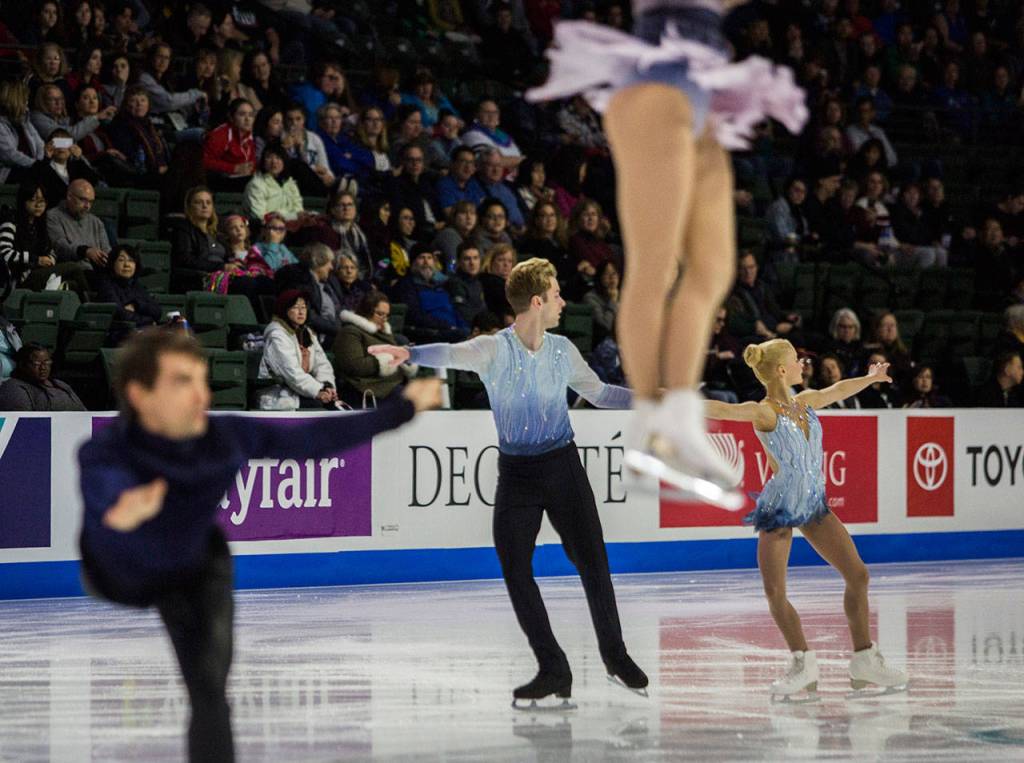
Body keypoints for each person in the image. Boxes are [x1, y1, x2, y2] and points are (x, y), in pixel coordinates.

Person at [77, 328, 440, 763]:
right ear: (139, 394)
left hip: (194, 567)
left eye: (202, 380)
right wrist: (124, 508)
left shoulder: (224, 436)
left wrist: (403, 408)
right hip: (119, 572)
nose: (200, 396)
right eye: (181, 382)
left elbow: (313, 442)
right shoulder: (108, 449)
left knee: (210, 689)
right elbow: (106, 488)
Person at [527, 1, 807, 508]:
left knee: (713, 268)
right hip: (657, 84)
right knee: (655, 262)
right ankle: (649, 421)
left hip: (699, 92)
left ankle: (677, 418)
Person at [369, 258, 648, 705]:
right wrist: (410, 354)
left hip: (563, 468)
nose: (563, 301)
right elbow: (451, 352)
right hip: (517, 475)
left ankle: (615, 655)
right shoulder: (494, 350)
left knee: (594, 562)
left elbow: (600, 393)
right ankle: (553, 666)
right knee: (516, 570)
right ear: (537, 301)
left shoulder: (562, 351)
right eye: (557, 294)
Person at [705, 339, 908, 700]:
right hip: (781, 507)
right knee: (775, 591)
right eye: (797, 360)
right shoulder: (765, 411)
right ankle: (803, 664)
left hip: (814, 504)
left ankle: (864, 660)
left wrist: (869, 378)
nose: (803, 364)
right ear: (782, 370)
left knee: (858, 575)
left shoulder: (805, 402)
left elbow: (839, 388)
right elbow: (722, 409)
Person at [0, 181, 89, 295]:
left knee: (73, 285)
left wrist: (50, 259)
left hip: (39, 273)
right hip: (20, 278)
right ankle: (93, 305)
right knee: (74, 268)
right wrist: (37, 260)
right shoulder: (11, 221)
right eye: (33, 200)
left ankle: (88, 306)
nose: (38, 205)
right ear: (23, 201)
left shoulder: (40, 225)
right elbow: (4, 254)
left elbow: (51, 251)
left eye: (42, 201)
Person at [333, 290, 416, 408]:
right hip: (367, 389)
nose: (384, 319)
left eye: (387, 315)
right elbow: (354, 365)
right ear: (366, 311)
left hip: (391, 385)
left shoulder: (384, 333)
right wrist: (389, 358)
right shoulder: (350, 332)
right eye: (380, 314)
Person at [257, 290, 337, 410]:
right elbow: (292, 374)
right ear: (285, 310)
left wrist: (327, 386)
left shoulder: (306, 333)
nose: (301, 312)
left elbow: (322, 364)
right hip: (278, 396)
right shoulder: (277, 335)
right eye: (295, 307)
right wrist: (318, 390)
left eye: (303, 307)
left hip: (300, 391)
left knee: (334, 403)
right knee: (323, 406)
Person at [393, 246, 467, 342]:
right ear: (413, 262)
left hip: (452, 329)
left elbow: (455, 309)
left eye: (429, 258)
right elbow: (415, 315)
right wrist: (446, 326)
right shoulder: (407, 285)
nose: (426, 262)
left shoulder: (442, 284)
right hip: (432, 333)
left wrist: (464, 326)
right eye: (421, 258)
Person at [94, 244, 162, 341]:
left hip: (138, 331)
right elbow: (121, 314)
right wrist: (149, 321)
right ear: (112, 263)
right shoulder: (106, 285)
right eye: (121, 260)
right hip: (116, 335)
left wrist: (137, 305)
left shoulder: (136, 285)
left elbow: (157, 311)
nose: (127, 265)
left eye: (131, 260)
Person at [45, 179, 110, 271]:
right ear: (69, 196)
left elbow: (107, 251)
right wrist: (85, 251)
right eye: (83, 200)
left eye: (91, 202)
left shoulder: (96, 222)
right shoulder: (53, 216)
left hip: (97, 271)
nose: (87, 206)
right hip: (71, 271)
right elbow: (60, 247)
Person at [0, 343, 85, 411]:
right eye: (37, 363)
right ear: (22, 365)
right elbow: (23, 424)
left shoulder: (61, 384)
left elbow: (85, 413)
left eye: (47, 363)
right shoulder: (14, 388)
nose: (43, 368)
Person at [202, 98, 256, 191]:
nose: (247, 119)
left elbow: (251, 162)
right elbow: (205, 161)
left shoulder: (249, 136)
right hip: (220, 182)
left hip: (242, 179)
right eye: (242, 114)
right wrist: (233, 168)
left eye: (251, 115)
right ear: (231, 117)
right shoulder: (220, 135)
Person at [242, 143, 305, 222]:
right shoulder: (256, 185)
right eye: (269, 157)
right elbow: (259, 217)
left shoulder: (289, 182)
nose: (274, 161)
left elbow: (299, 211)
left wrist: (283, 216)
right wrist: (289, 216)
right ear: (263, 161)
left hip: (291, 226)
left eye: (278, 158)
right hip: (265, 229)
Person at [0, 80, 46, 185]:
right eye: (25, 100)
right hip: (8, 173)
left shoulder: (24, 121)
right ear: (16, 100)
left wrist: (40, 164)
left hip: (31, 168)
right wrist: (36, 166)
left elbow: (40, 144)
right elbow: (10, 155)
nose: (27, 103)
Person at [447, 242, 486, 327]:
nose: (472, 263)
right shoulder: (455, 283)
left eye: (475, 258)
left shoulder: (479, 281)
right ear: (459, 262)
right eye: (467, 259)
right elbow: (463, 313)